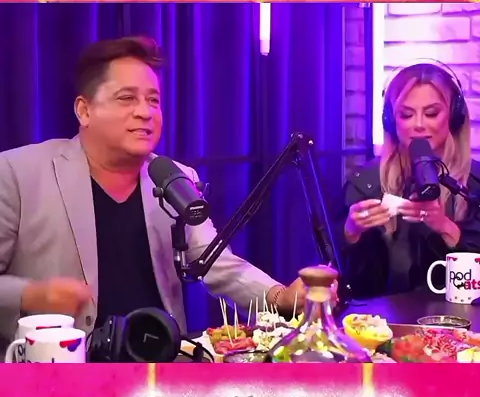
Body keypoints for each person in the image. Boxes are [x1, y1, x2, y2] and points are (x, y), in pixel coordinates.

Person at [0, 36, 307, 351]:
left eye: (154, 100)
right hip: (59, 369)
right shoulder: (17, 173)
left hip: (160, 364)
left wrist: (280, 297)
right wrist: (32, 295)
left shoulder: (176, 178)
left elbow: (216, 262)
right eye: (127, 98)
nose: (145, 112)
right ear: (84, 110)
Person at [341, 61, 480, 299]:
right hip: (382, 319)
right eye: (406, 115)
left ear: (454, 116)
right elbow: (346, 282)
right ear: (391, 121)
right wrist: (351, 234)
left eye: (432, 113)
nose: (418, 125)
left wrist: (445, 227)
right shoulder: (364, 183)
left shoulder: (475, 184)